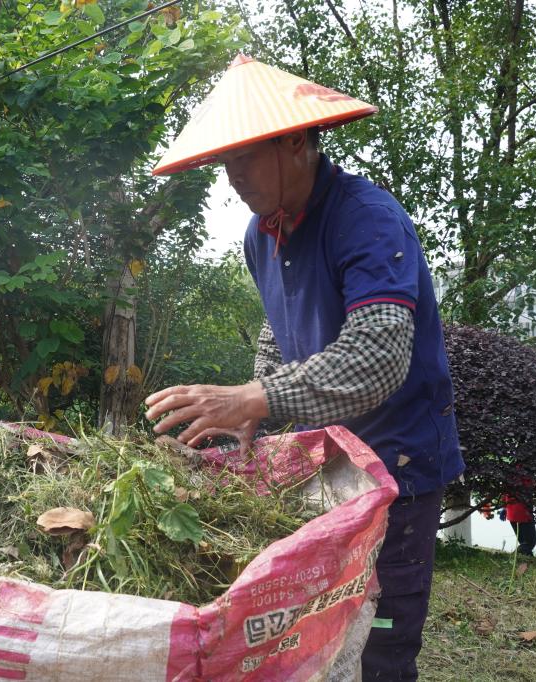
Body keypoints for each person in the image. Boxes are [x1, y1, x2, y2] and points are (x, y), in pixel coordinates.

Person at [145, 56, 464, 680]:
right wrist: (254, 419)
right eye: (225, 165)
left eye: (243, 160)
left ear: (296, 142)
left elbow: (376, 359)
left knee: (381, 630)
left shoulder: (366, 221)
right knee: (317, 624)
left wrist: (255, 397)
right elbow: (278, 327)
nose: (232, 179)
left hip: (398, 459)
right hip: (325, 456)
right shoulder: (260, 234)